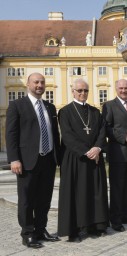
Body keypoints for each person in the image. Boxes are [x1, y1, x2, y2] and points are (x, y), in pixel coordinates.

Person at [5, 72, 61, 248]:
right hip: (27, 160)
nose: (40, 85)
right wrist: (14, 159)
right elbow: (11, 134)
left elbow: (54, 134)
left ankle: (40, 229)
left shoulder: (49, 107)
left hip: (48, 160)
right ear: (28, 85)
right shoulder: (17, 105)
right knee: (27, 199)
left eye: (42, 82)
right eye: (36, 82)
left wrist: (58, 158)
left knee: (44, 198)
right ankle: (28, 233)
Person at [58, 78, 109, 242]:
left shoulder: (95, 112)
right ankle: (74, 229)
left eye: (85, 90)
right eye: (79, 90)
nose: (82, 93)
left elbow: (102, 132)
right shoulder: (65, 111)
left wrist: (98, 148)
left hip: (95, 157)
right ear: (73, 91)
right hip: (75, 158)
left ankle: (95, 226)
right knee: (75, 193)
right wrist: (86, 151)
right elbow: (67, 136)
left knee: (95, 192)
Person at [102, 79, 127, 232]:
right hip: (118, 152)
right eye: (121, 88)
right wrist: (124, 137)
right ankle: (116, 219)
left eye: (126, 88)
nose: (124, 90)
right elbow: (107, 128)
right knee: (117, 187)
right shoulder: (109, 106)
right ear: (116, 89)